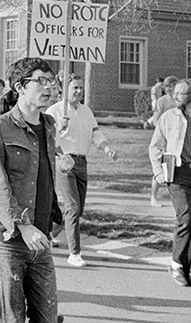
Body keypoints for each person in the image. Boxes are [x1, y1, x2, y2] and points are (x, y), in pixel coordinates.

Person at [0, 57, 61, 323]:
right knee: (13, 318)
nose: (50, 87)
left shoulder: (48, 126)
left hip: (40, 237)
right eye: (42, 81)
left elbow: (42, 176)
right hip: (8, 237)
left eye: (52, 81)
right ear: (20, 87)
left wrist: (54, 216)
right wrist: (23, 225)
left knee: (47, 317)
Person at [149, 79, 191, 287]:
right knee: (186, 218)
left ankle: (184, 270)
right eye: (174, 93)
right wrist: (158, 172)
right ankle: (175, 264)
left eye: (180, 94)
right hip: (178, 173)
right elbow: (155, 147)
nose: (175, 97)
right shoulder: (168, 117)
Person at [46, 74, 117, 268]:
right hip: (64, 161)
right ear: (64, 90)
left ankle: (50, 236)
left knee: (78, 209)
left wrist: (106, 148)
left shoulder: (86, 111)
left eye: (80, 88)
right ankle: (74, 253)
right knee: (73, 207)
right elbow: (48, 139)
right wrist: (60, 130)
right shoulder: (55, 111)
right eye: (74, 88)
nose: (78, 91)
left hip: (82, 162)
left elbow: (96, 133)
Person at [149, 75, 178, 206]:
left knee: (175, 169)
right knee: (161, 167)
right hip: (164, 138)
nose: (170, 89)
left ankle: (176, 198)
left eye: (172, 86)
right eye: (168, 87)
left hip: (177, 138)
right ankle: (153, 197)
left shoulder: (179, 101)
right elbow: (155, 119)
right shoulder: (162, 101)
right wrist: (162, 131)